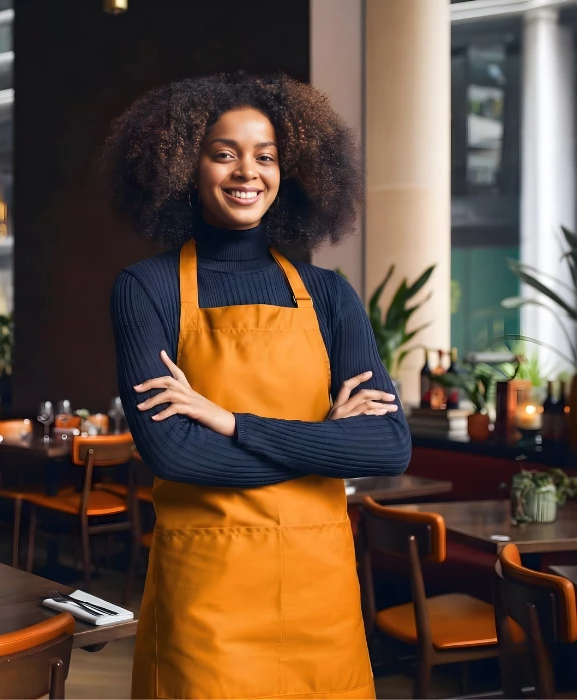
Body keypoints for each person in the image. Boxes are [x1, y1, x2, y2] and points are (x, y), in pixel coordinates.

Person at [106, 73, 412, 699]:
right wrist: (327, 442)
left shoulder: (328, 295)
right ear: (184, 166)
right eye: (224, 153)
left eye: (266, 156)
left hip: (319, 597)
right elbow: (175, 453)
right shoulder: (148, 288)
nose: (248, 171)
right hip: (207, 597)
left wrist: (230, 423)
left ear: (289, 172)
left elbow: (387, 447)